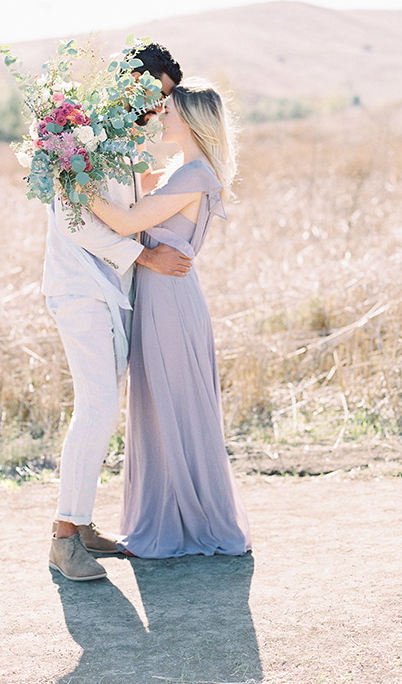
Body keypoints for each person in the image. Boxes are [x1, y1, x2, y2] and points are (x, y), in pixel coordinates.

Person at [89, 80, 252, 558]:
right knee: (163, 403)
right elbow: (144, 222)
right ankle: (171, 514)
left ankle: (189, 521)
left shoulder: (195, 174)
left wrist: (76, 186)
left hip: (171, 301)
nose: (162, 115)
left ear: (192, 120)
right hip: (164, 296)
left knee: (174, 402)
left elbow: (126, 223)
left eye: (171, 110)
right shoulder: (184, 171)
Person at [46, 42, 190, 581]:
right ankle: (64, 539)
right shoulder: (82, 135)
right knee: (98, 406)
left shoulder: (121, 142)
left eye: (165, 100)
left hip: (112, 291)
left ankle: (80, 526)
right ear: (132, 84)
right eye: (156, 95)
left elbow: (120, 203)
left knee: (101, 407)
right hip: (81, 290)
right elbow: (74, 222)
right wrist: (145, 255)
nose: (158, 108)